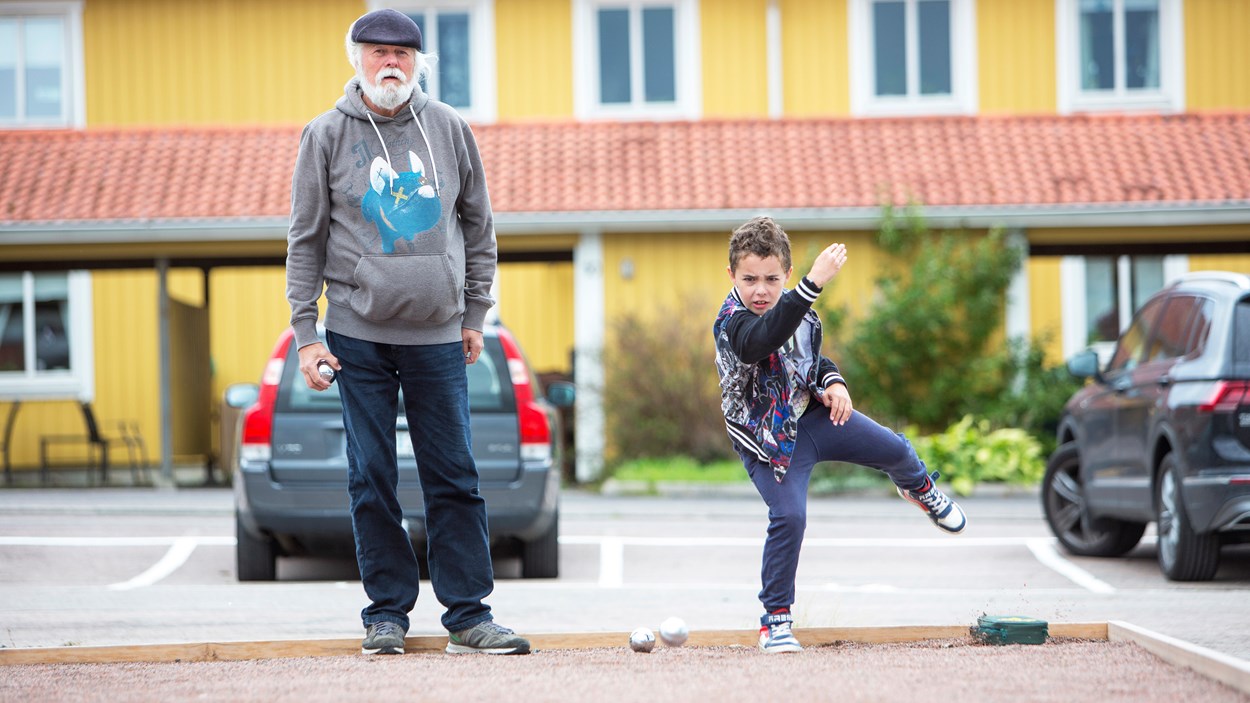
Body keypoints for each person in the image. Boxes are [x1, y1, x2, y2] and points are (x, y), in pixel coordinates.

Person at [285, 8, 529, 656]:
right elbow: (305, 238)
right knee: (372, 476)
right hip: (358, 336)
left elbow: (478, 227)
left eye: (402, 52)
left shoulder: (448, 129)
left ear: (419, 61)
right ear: (355, 57)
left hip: (439, 336)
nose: (389, 62)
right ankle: (385, 614)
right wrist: (307, 334)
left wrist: (475, 313)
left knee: (454, 474)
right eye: (376, 52)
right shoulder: (325, 135)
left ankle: (470, 615)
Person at [712, 216, 967, 655]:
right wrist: (811, 284)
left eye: (772, 280)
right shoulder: (732, 322)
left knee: (895, 448)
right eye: (749, 279)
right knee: (790, 518)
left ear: (785, 274)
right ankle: (775, 622)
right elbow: (761, 342)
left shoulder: (800, 312)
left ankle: (920, 490)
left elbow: (810, 359)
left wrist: (834, 383)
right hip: (769, 443)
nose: (761, 291)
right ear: (731, 275)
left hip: (812, 418)